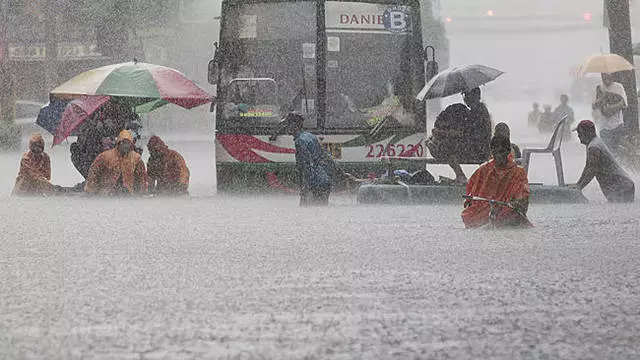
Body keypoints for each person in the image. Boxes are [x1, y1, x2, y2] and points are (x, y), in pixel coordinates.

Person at [282, 112, 352, 206]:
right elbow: (327, 157)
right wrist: (341, 172)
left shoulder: (300, 141)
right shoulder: (310, 136)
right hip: (324, 181)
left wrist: (305, 187)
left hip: (315, 184)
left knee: (308, 212)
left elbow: (306, 166)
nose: (286, 127)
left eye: (287, 124)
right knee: (320, 211)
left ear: (294, 125)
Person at [462, 135, 531, 228]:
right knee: (469, 216)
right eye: (496, 152)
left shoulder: (518, 172)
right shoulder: (484, 170)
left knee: (511, 216)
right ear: (492, 152)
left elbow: (523, 202)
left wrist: (514, 204)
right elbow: (471, 196)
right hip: (485, 211)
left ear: (507, 151)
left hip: (507, 212)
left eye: (501, 152)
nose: (499, 156)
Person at [570, 120, 634, 202]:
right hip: (622, 185)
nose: (578, 135)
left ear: (588, 133)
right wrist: (578, 184)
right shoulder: (592, 144)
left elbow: (592, 170)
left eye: (580, 132)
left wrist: (580, 187)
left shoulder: (594, 147)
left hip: (622, 187)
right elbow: (588, 166)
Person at [84, 130, 148, 196]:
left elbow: (141, 177)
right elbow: (94, 172)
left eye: (128, 143)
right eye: (124, 143)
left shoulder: (136, 158)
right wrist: (91, 190)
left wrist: (141, 193)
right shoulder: (105, 156)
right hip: (106, 194)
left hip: (128, 195)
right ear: (119, 143)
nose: (126, 145)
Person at [592, 73, 627, 151]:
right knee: (608, 151)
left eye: (608, 75)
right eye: (603, 75)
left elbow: (624, 104)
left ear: (612, 76)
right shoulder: (599, 88)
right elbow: (594, 106)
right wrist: (601, 98)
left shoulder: (619, 87)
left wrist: (610, 109)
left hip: (617, 125)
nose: (605, 77)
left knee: (616, 150)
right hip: (604, 127)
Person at [463, 87, 492, 162]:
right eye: (464, 95)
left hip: (480, 150)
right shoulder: (478, 109)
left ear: (475, 96)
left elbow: (473, 132)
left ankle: (459, 173)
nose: (465, 99)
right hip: (479, 148)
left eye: (467, 95)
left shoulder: (479, 110)